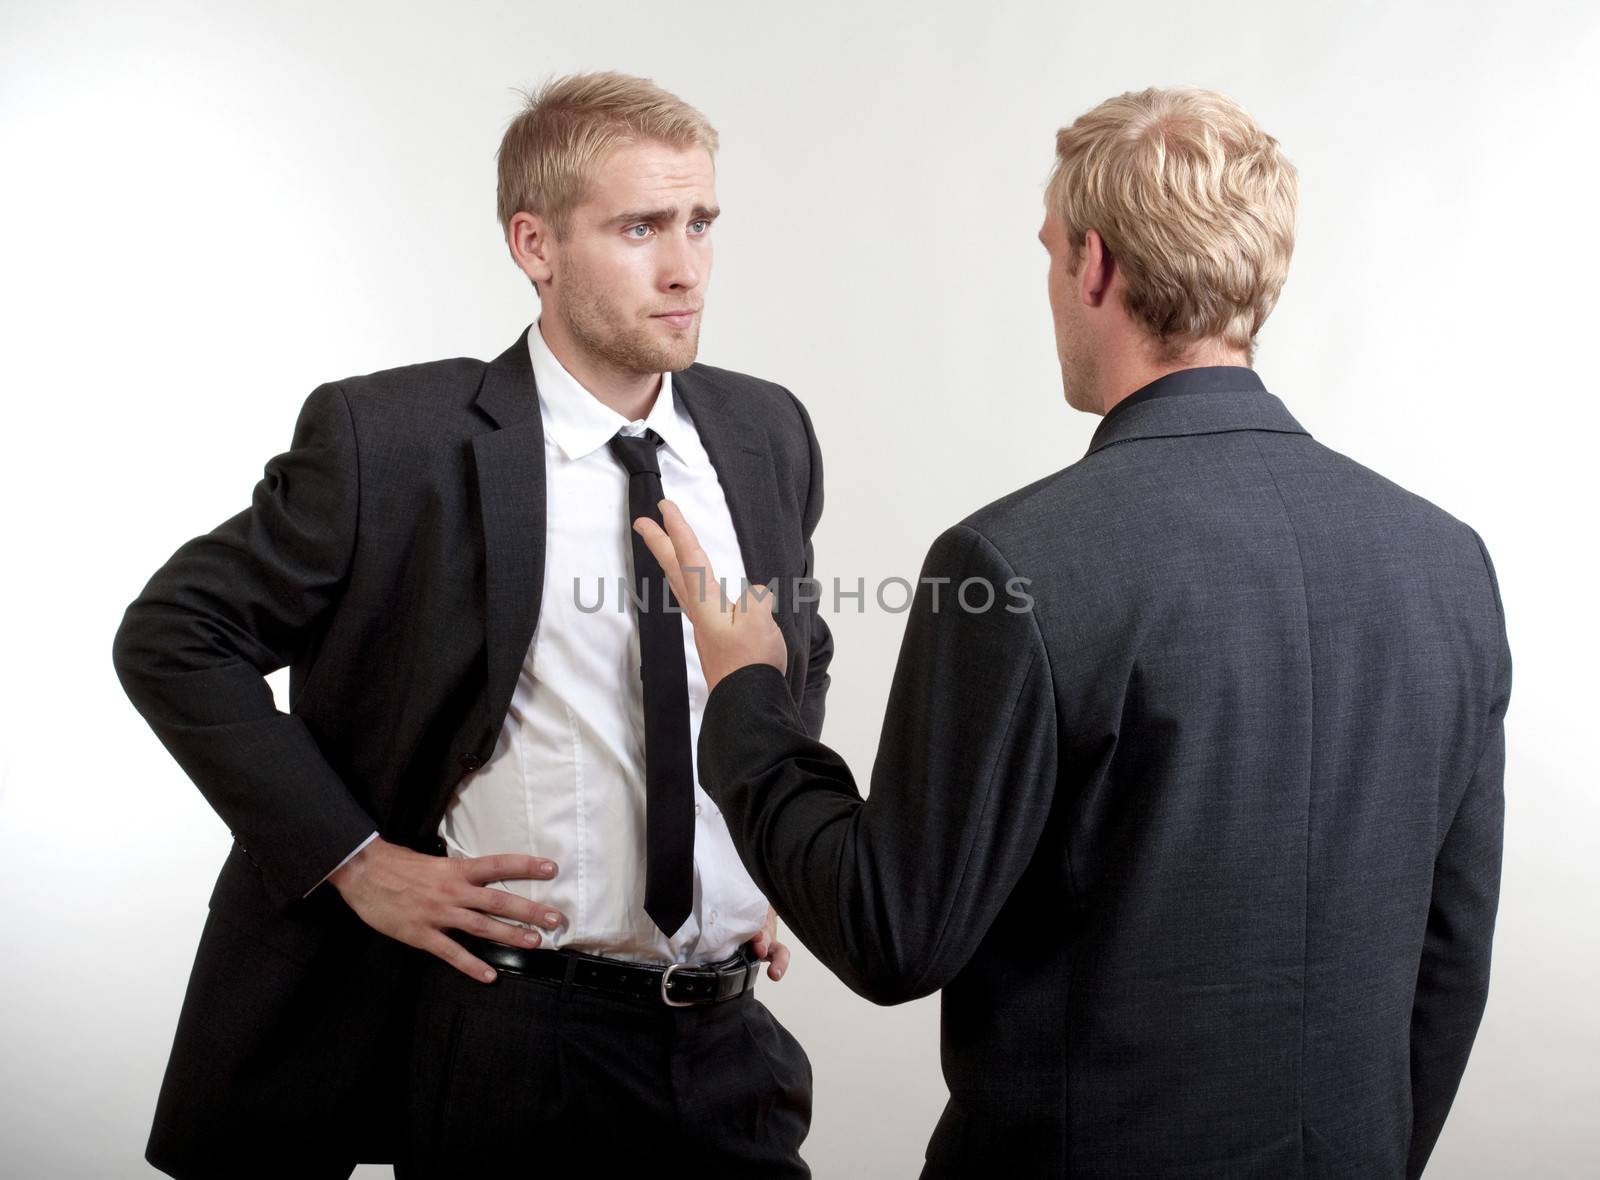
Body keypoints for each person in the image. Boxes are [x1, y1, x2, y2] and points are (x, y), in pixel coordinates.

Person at [637, 86, 1509, 1178]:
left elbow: (890, 932)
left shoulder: (1013, 566)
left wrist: (747, 693)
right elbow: (1450, 954)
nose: (1053, 284)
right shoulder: (1447, 560)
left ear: (1094, 266)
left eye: (1050, 255)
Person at [112, 71, 830, 1179]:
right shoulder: (390, 440)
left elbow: (790, 655)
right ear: (534, 244)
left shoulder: (766, 428)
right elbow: (174, 635)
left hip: (728, 1043)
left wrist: (766, 841)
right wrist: (353, 860)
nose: (685, 267)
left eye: (699, 223)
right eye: (638, 227)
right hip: (512, 1041)